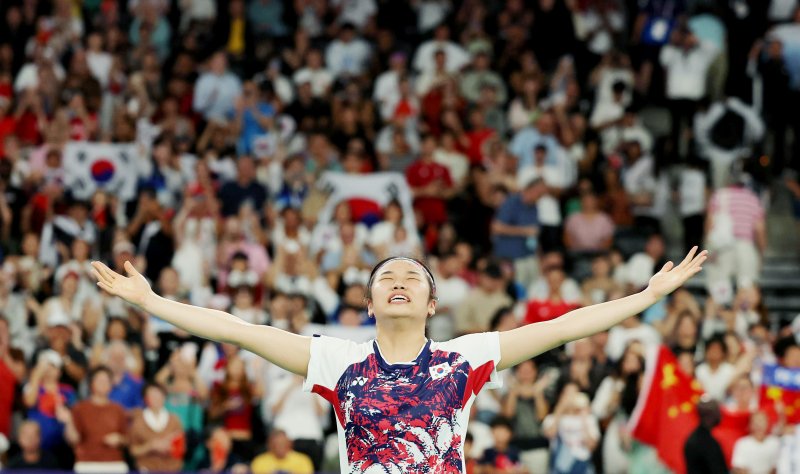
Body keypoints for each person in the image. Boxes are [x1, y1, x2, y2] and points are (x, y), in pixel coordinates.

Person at [91, 246, 707, 473]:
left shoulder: (467, 358)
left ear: (433, 302)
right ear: (368, 302)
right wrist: (152, 302)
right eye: (387, 277)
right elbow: (236, 329)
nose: (400, 282)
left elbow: (565, 327)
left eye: (413, 276)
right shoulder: (335, 362)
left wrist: (645, 297)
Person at [60, 366, 129, 473]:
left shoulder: (118, 409)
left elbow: (127, 439)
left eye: (106, 380)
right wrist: (68, 421)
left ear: (111, 385)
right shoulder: (79, 409)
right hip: (87, 464)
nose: (103, 383)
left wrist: (119, 439)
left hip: (114, 463)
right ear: (91, 384)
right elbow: (73, 440)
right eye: (99, 380)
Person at [684, 398, 728, 474]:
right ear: (710, 415)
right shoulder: (707, 443)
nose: (720, 415)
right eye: (717, 412)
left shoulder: (694, 439)